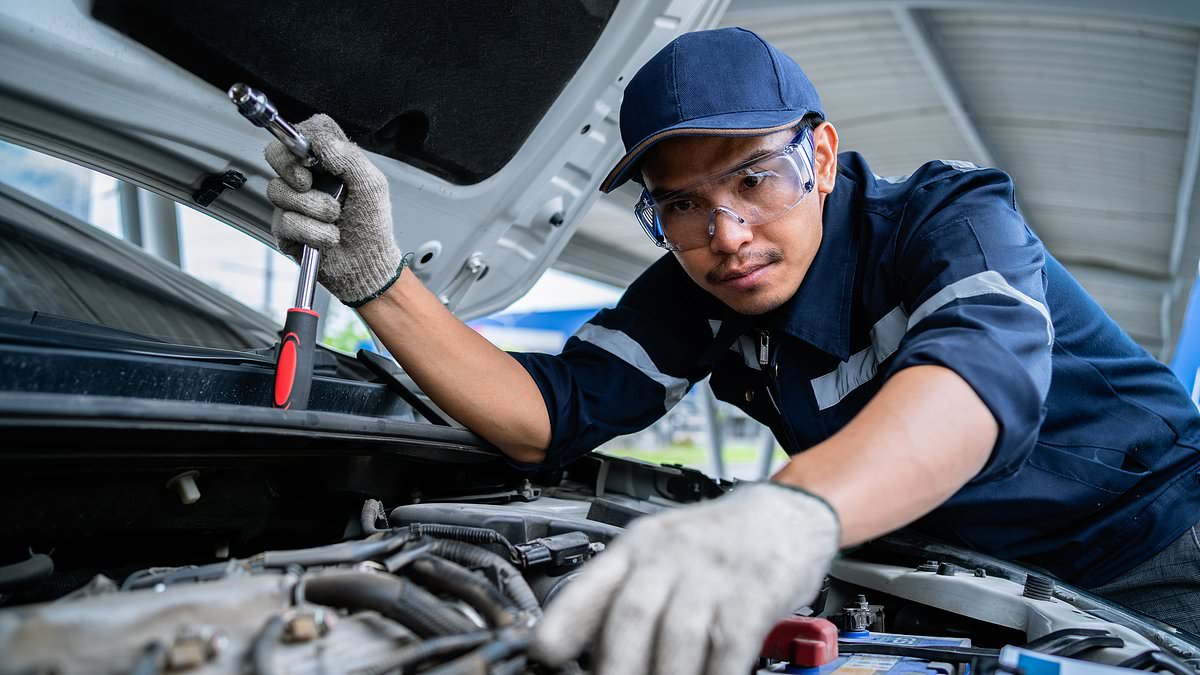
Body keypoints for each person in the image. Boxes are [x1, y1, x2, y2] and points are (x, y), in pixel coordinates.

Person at [264, 26, 1200, 675]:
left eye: (756, 176)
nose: (727, 231)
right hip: (965, 582)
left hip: (1157, 554)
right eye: (681, 203)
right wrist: (380, 280)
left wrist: (792, 514)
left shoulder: (952, 219)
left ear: (822, 156)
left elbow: (977, 379)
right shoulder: (701, 293)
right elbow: (544, 416)